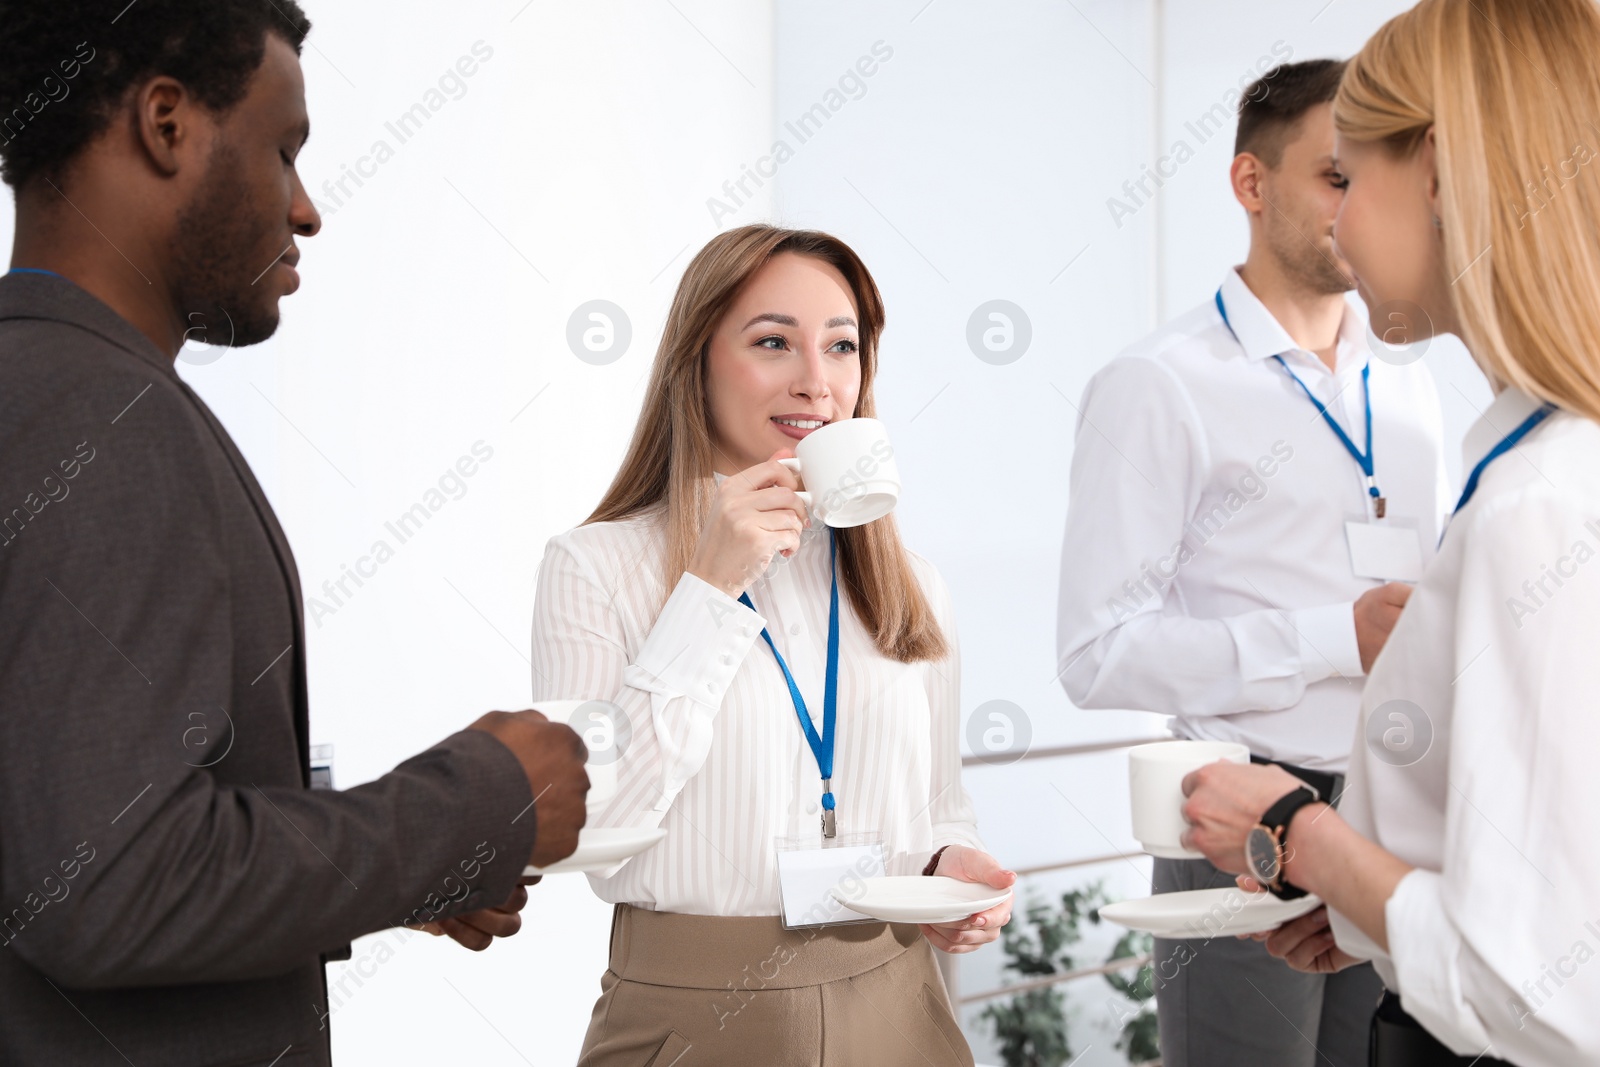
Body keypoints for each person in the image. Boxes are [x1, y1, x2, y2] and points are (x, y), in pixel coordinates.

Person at [0, 4, 588, 1064]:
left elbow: (51, 816)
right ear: (167, 123)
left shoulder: (38, 392)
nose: (307, 209)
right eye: (285, 150)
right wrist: (478, 802)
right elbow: (111, 880)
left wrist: (393, 867)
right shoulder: (105, 419)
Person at [1180, 1, 1600, 1064]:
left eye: (1348, 175)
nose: (1338, 222)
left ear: (1440, 172)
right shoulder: (1533, 453)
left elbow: (1541, 993)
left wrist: (1298, 830)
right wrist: (1378, 898)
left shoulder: (1535, 499)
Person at [529, 224, 1013, 1066]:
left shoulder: (911, 582)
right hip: (690, 1017)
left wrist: (947, 864)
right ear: (698, 360)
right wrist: (708, 592)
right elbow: (590, 819)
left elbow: (937, 800)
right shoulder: (594, 567)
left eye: (842, 346)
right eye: (773, 342)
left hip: (896, 999)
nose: (817, 382)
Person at [1056, 59, 1452, 1067]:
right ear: (1250, 185)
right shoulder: (1157, 383)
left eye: (1373, 176)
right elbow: (1096, 653)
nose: (1357, 203)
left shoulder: (1414, 390)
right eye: (1332, 175)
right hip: (1241, 826)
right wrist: (1334, 639)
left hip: (1397, 818)